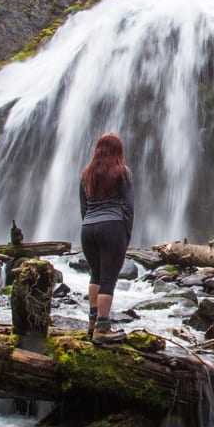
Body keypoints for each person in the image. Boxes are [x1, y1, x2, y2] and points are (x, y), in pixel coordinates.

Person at [79, 132, 134, 344]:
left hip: (88, 229)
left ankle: (92, 323)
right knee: (108, 280)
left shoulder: (86, 175)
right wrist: (125, 235)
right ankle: (102, 328)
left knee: (95, 274)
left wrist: (89, 225)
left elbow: (83, 207)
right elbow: (128, 207)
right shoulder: (123, 172)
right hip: (112, 227)